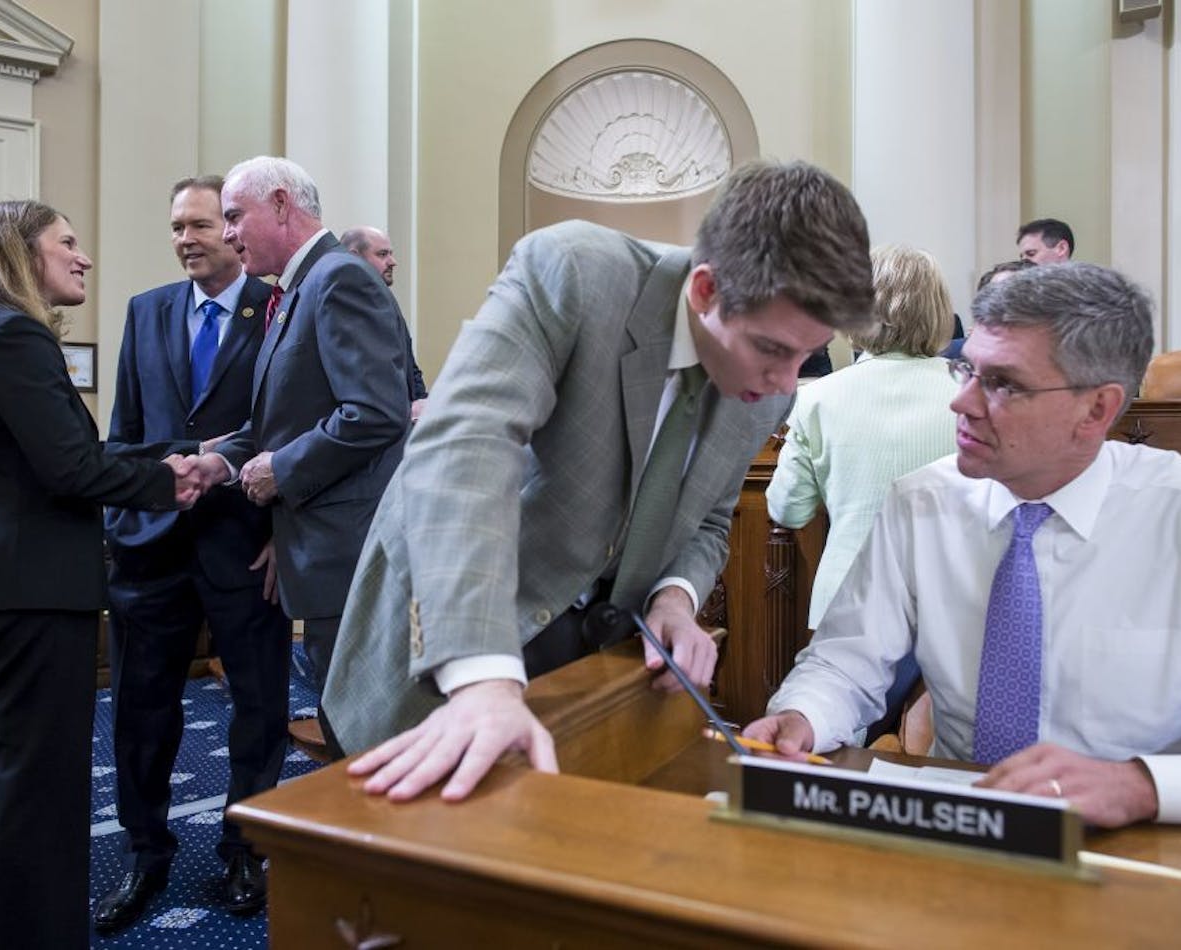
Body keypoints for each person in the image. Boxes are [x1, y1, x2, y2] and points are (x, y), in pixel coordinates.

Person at [322, 159, 876, 802]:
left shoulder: (768, 389)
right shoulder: (574, 272)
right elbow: (463, 451)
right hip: (447, 632)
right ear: (704, 291)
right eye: (773, 351)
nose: (787, 383)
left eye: (804, 356)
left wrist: (675, 596)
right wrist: (481, 678)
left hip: (581, 671)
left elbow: (710, 519)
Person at [746, 262, 1181, 830]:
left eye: (1003, 384)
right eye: (967, 369)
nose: (960, 403)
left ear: (1097, 409)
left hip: (1129, 839)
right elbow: (846, 662)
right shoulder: (923, 503)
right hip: (954, 819)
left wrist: (1142, 786)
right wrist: (803, 714)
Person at [0, 200, 200, 950]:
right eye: (66, 242)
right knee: (41, 789)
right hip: (29, 590)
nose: (83, 257)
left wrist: (169, 453)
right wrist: (173, 480)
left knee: (5, 780)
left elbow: (55, 455)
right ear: (20, 254)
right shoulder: (16, 336)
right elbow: (71, 467)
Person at [93, 176, 293, 932]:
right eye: (177, 226)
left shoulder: (276, 309)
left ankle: (246, 846)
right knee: (142, 714)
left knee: (259, 708)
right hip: (149, 551)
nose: (186, 239)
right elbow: (124, 437)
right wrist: (175, 464)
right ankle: (146, 855)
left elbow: (291, 431)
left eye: (202, 224)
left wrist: (284, 532)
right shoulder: (147, 312)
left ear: (234, 231)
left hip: (246, 544)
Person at [185, 157, 414, 706]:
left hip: (348, 557)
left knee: (360, 735)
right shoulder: (298, 290)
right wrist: (225, 461)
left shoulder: (338, 278)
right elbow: (288, 416)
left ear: (282, 204)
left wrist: (280, 470)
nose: (229, 234)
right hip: (322, 556)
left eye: (235, 215)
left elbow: (375, 413)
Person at [766, 245, 958, 739]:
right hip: (952, 603)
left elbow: (786, 509)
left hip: (846, 602)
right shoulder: (969, 392)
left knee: (842, 746)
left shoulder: (817, 398)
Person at [338, 225, 428, 421]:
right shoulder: (344, 305)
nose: (393, 262)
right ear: (355, 256)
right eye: (382, 254)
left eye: (391, 254)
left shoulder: (385, 300)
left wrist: (421, 404)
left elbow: (409, 368)